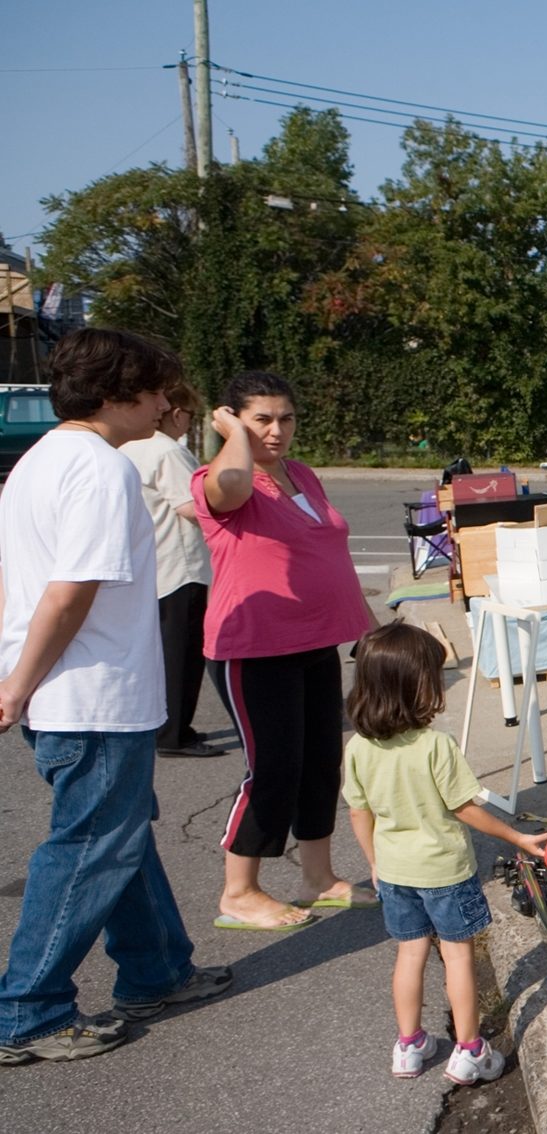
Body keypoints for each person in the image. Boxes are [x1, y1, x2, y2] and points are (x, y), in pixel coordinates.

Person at [0, 329, 230, 1065]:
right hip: (91, 693)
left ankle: (157, 970)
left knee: (118, 835)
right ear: (114, 393)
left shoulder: (38, 461)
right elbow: (71, 591)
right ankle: (28, 1010)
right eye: (156, 389)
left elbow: (20, 583)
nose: (166, 404)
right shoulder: (101, 468)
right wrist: (17, 686)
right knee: (89, 847)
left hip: (65, 689)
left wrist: (17, 676)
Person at [194, 370, 376, 930]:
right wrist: (234, 436)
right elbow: (231, 485)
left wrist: (368, 630)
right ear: (232, 421)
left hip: (316, 641)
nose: (276, 430)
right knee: (272, 768)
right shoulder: (220, 478)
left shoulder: (302, 475)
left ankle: (317, 878)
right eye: (261, 420)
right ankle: (239, 891)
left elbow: (330, 555)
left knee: (320, 764)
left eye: (286, 418)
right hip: (254, 647)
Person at [342, 622, 547, 1083]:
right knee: (457, 958)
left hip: (394, 871)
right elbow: (464, 808)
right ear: (416, 686)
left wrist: (374, 863)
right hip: (445, 873)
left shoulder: (357, 747)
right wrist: (517, 838)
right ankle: (470, 1049)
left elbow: (359, 812)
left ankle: (409, 1045)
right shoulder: (436, 746)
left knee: (409, 953)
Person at [121, 383, 221, 758]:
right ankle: (175, 733)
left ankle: (163, 725)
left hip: (150, 564)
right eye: (189, 417)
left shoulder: (128, 447)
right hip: (182, 566)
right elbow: (191, 507)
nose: (188, 424)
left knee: (159, 654)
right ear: (177, 414)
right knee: (182, 655)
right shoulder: (168, 451)